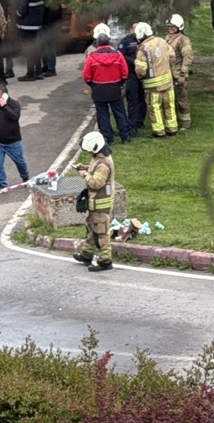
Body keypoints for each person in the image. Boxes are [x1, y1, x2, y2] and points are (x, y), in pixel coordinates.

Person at [72, 131, 116, 272]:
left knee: (101, 232)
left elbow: (96, 183)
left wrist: (84, 175)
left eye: (90, 150)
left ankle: (105, 260)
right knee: (91, 229)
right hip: (95, 202)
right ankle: (87, 254)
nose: (89, 153)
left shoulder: (103, 164)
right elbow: (95, 170)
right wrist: (85, 168)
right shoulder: (99, 158)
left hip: (100, 203)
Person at [82, 23, 131, 144]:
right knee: (119, 112)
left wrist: (93, 85)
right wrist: (120, 83)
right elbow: (125, 72)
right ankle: (125, 136)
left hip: (98, 89)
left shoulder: (92, 57)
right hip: (114, 88)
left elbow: (86, 76)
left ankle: (108, 138)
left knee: (102, 114)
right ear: (109, 41)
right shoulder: (118, 55)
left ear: (97, 42)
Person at [132, 22, 178, 137]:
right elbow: (172, 56)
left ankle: (159, 131)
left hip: (153, 86)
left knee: (155, 108)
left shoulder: (143, 48)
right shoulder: (162, 41)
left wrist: (140, 77)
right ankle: (172, 129)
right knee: (169, 106)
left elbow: (141, 70)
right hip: (168, 82)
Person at [0, 84, 29, 189]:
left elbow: (15, 117)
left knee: (20, 162)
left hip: (13, 143)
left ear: (4, 95)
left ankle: (25, 178)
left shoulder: (14, 104)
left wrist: (5, 106)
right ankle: (2, 184)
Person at [15, 0, 47, 81]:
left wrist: (16, 14)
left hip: (26, 27)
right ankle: (38, 72)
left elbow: (21, 10)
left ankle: (30, 74)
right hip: (37, 25)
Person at [164, 14, 194, 130]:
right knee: (169, 99)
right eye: (169, 26)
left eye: (173, 26)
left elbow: (187, 57)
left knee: (181, 99)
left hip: (178, 74)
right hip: (168, 73)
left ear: (179, 27)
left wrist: (182, 74)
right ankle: (172, 121)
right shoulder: (167, 37)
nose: (170, 28)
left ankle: (186, 123)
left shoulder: (183, 40)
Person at [117, 23, 146, 132]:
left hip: (143, 74)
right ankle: (132, 123)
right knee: (132, 99)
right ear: (132, 29)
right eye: (135, 28)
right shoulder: (126, 41)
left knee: (142, 99)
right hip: (131, 74)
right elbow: (120, 56)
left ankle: (140, 121)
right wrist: (134, 62)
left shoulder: (145, 40)